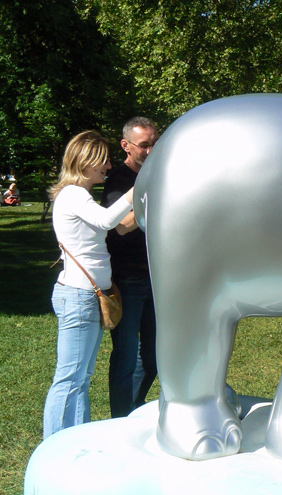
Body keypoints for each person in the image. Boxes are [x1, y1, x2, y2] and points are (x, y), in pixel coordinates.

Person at [44, 131, 134, 438]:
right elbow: (108, 221)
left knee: (82, 377)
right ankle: (54, 447)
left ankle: (76, 439)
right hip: (79, 296)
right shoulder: (73, 194)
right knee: (69, 378)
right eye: (103, 160)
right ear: (86, 161)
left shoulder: (77, 195)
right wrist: (136, 192)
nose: (108, 166)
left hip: (87, 296)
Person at [101, 117, 159, 418]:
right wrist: (155, 200)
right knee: (125, 357)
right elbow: (122, 227)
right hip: (128, 278)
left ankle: (132, 412)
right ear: (126, 145)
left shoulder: (160, 175)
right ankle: (120, 421)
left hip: (157, 277)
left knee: (152, 359)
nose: (151, 150)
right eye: (144, 145)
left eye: (155, 143)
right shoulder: (119, 180)